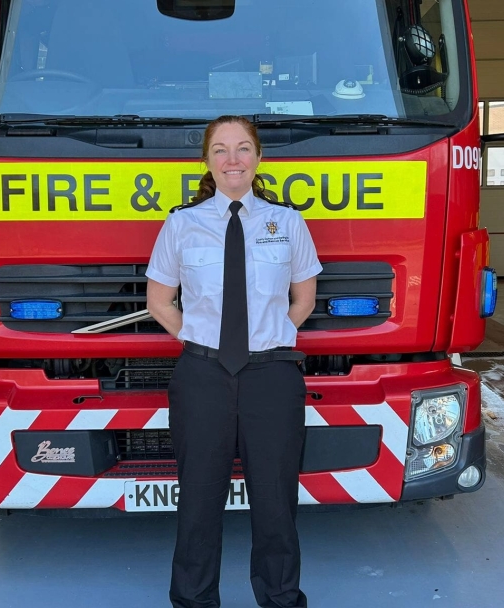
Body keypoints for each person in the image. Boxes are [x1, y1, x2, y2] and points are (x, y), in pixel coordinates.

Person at [146, 115, 322, 608]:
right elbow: (160, 301)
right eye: (220, 150)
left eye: (243, 148)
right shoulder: (182, 224)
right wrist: (203, 339)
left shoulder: (287, 222)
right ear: (206, 161)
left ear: (259, 158)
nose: (232, 160)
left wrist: (269, 335)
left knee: (275, 502)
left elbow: (303, 298)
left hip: (272, 376)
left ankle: (281, 597)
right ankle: (195, 600)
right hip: (203, 376)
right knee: (199, 501)